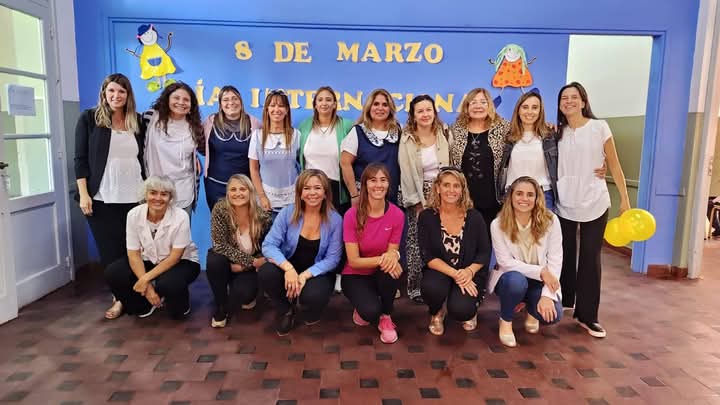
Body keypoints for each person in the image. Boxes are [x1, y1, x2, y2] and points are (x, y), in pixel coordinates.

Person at [555, 82, 631, 338]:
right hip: (564, 201)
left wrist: (624, 199)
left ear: (584, 102)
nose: (569, 101)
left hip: (595, 200)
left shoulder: (600, 127)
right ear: (559, 105)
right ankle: (565, 300)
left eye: (574, 97)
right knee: (563, 253)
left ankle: (587, 315)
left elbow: (615, 164)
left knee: (590, 257)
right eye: (564, 98)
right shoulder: (556, 132)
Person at [73, 73, 145, 320]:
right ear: (104, 93)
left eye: (121, 91)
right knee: (111, 252)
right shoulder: (90, 119)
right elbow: (80, 159)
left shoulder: (137, 121)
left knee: (132, 249)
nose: (116, 96)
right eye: (112, 91)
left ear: (128, 95)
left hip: (134, 196)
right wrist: (84, 194)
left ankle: (138, 292)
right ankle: (119, 298)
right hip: (102, 197)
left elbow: (143, 157)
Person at [258, 170, 343, 336]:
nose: (312, 192)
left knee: (312, 297)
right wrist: (288, 269)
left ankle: (309, 307)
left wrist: (304, 275)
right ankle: (286, 309)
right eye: (307, 188)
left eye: (317, 188)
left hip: (317, 272)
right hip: (289, 267)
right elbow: (268, 245)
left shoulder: (335, 220)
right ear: (300, 193)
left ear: (325, 193)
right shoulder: (287, 213)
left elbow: (333, 259)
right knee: (266, 272)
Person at [104, 176, 200, 319]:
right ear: (146, 194)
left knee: (171, 291)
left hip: (181, 261)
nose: (158, 198)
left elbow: (175, 256)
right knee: (114, 272)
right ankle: (143, 305)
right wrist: (148, 288)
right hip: (148, 259)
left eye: (164, 194)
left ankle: (181, 303)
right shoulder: (133, 214)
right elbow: (133, 254)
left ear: (170, 198)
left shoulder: (181, 216)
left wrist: (144, 280)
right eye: (153, 193)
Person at [489, 176, 563, 347]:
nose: (524, 198)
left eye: (530, 195)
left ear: (537, 198)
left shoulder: (551, 221)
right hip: (510, 278)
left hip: (540, 281)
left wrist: (547, 296)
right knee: (516, 282)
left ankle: (531, 307)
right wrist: (541, 271)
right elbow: (505, 262)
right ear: (511, 196)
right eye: (519, 193)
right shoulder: (498, 224)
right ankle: (506, 320)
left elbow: (555, 258)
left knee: (554, 315)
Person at [419, 167, 490, 335]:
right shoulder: (427, 216)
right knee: (431, 289)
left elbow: (484, 252)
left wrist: (469, 272)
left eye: (456, 186)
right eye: (446, 185)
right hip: (441, 271)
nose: (451, 190)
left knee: (461, 310)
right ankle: (437, 311)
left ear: (462, 189)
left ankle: (472, 308)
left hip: (468, 272)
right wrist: (456, 274)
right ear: (437, 188)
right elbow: (428, 255)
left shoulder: (474, 217)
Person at [342, 163, 405, 344]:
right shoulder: (351, 215)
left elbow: (392, 252)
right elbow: (354, 261)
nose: (378, 185)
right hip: (355, 274)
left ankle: (386, 316)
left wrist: (393, 257)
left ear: (389, 184)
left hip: (381, 273)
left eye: (383, 180)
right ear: (365, 184)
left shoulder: (397, 215)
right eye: (373, 180)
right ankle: (365, 306)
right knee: (369, 312)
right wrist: (387, 258)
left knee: (392, 269)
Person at [399, 95, 450, 303]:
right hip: (417, 193)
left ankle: (442, 282)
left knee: (443, 238)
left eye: (428, 110)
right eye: (420, 111)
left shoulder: (444, 133)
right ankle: (415, 287)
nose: (425, 114)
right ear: (413, 115)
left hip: (444, 193)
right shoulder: (407, 138)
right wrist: (417, 203)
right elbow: (406, 172)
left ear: (434, 112)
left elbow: (452, 164)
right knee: (415, 241)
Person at [206, 174, 271, 328]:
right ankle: (221, 307)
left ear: (250, 192)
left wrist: (243, 266)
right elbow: (219, 245)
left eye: (242, 189)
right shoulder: (220, 209)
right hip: (227, 262)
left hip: (246, 268)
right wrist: (251, 262)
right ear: (227, 193)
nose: (238, 193)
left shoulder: (262, 217)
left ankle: (244, 291)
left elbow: (266, 251)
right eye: (233, 189)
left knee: (244, 295)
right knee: (214, 259)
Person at [449, 88, 510, 237]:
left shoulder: (504, 128)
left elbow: (526, 131)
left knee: (489, 242)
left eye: (483, 102)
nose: (478, 106)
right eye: (473, 102)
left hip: (493, 201)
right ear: (466, 106)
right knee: (465, 242)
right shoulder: (456, 129)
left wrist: (547, 127)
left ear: (490, 106)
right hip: (463, 201)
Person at [144, 82, 204, 217]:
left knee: (182, 230)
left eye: (186, 100)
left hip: (184, 191)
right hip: (155, 191)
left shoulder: (195, 126)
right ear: (167, 99)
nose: (181, 102)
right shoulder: (151, 118)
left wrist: (196, 160)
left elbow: (200, 150)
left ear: (191, 105)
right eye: (176, 98)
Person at [201, 85, 262, 210]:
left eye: (235, 98)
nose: (231, 102)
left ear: (241, 101)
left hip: (244, 187)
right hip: (215, 186)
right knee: (219, 221)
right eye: (226, 99)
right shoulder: (210, 122)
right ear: (220, 104)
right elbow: (200, 144)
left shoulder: (255, 123)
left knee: (243, 221)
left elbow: (262, 151)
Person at [497, 91, 558, 210]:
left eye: (534, 107)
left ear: (540, 111)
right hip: (513, 194)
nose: (529, 112)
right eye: (525, 107)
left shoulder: (550, 136)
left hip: (543, 195)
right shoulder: (507, 137)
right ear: (518, 110)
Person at [341, 88, 402, 206]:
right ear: (369, 107)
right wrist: (354, 195)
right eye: (376, 104)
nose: (380, 108)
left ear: (390, 109)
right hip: (365, 199)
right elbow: (345, 163)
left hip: (392, 197)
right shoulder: (357, 132)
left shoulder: (399, 131)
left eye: (385, 105)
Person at [298, 86, 355, 212]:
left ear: (334, 104)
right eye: (320, 100)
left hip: (336, 189)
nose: (324, 103)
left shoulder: (346, 126)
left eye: (328, 100)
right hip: (310, 189)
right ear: (315, 105)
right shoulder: (304, 126)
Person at [249, 90, 300, 217]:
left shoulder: (296, 135)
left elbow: (302, 167)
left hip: (292, 202)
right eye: (272, 105)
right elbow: (254, 169)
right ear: (267, 110)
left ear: (287, 110)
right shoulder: (257, 136)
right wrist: (262, 197)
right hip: (266, 202)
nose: (276, 109)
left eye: (281, 106)